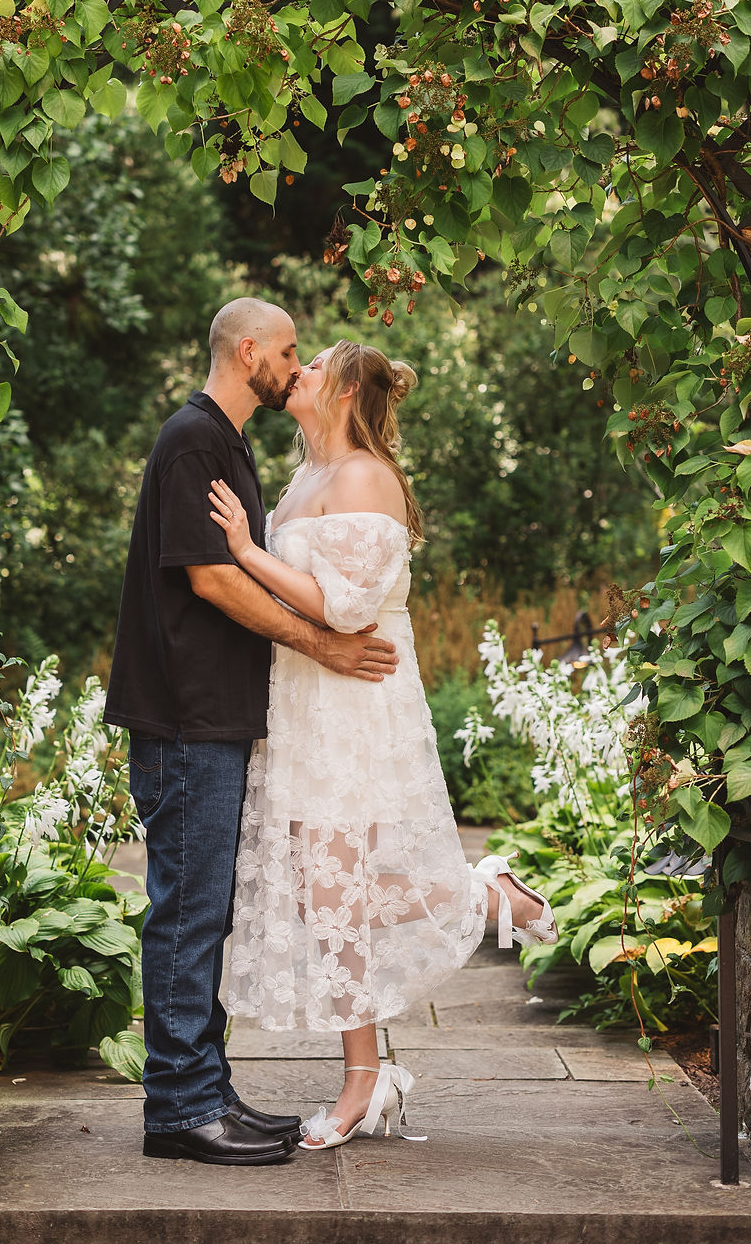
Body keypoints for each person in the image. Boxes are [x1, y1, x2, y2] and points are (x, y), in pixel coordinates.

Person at [207, 339, 558, 1150]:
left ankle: (365, 1079)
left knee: (334, 895)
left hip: (354, 704)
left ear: (347, 388)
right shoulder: (303, 477)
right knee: (318, 895)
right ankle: (482, 897)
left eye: (317, 358)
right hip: (299, 701)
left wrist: (249, 552)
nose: (301, 365)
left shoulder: (365, 475)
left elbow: (349, 608)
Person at [104, 300, 400, 1166]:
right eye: (288, 352)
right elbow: (210, 579)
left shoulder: (229, 444)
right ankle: (181, 1110)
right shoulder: (194, 439)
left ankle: (206, 1090)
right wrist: (322, 646)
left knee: (204, 913)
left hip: (216, 717)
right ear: (249, 353)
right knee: (187, 916)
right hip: (186, 717)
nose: (295, 364)